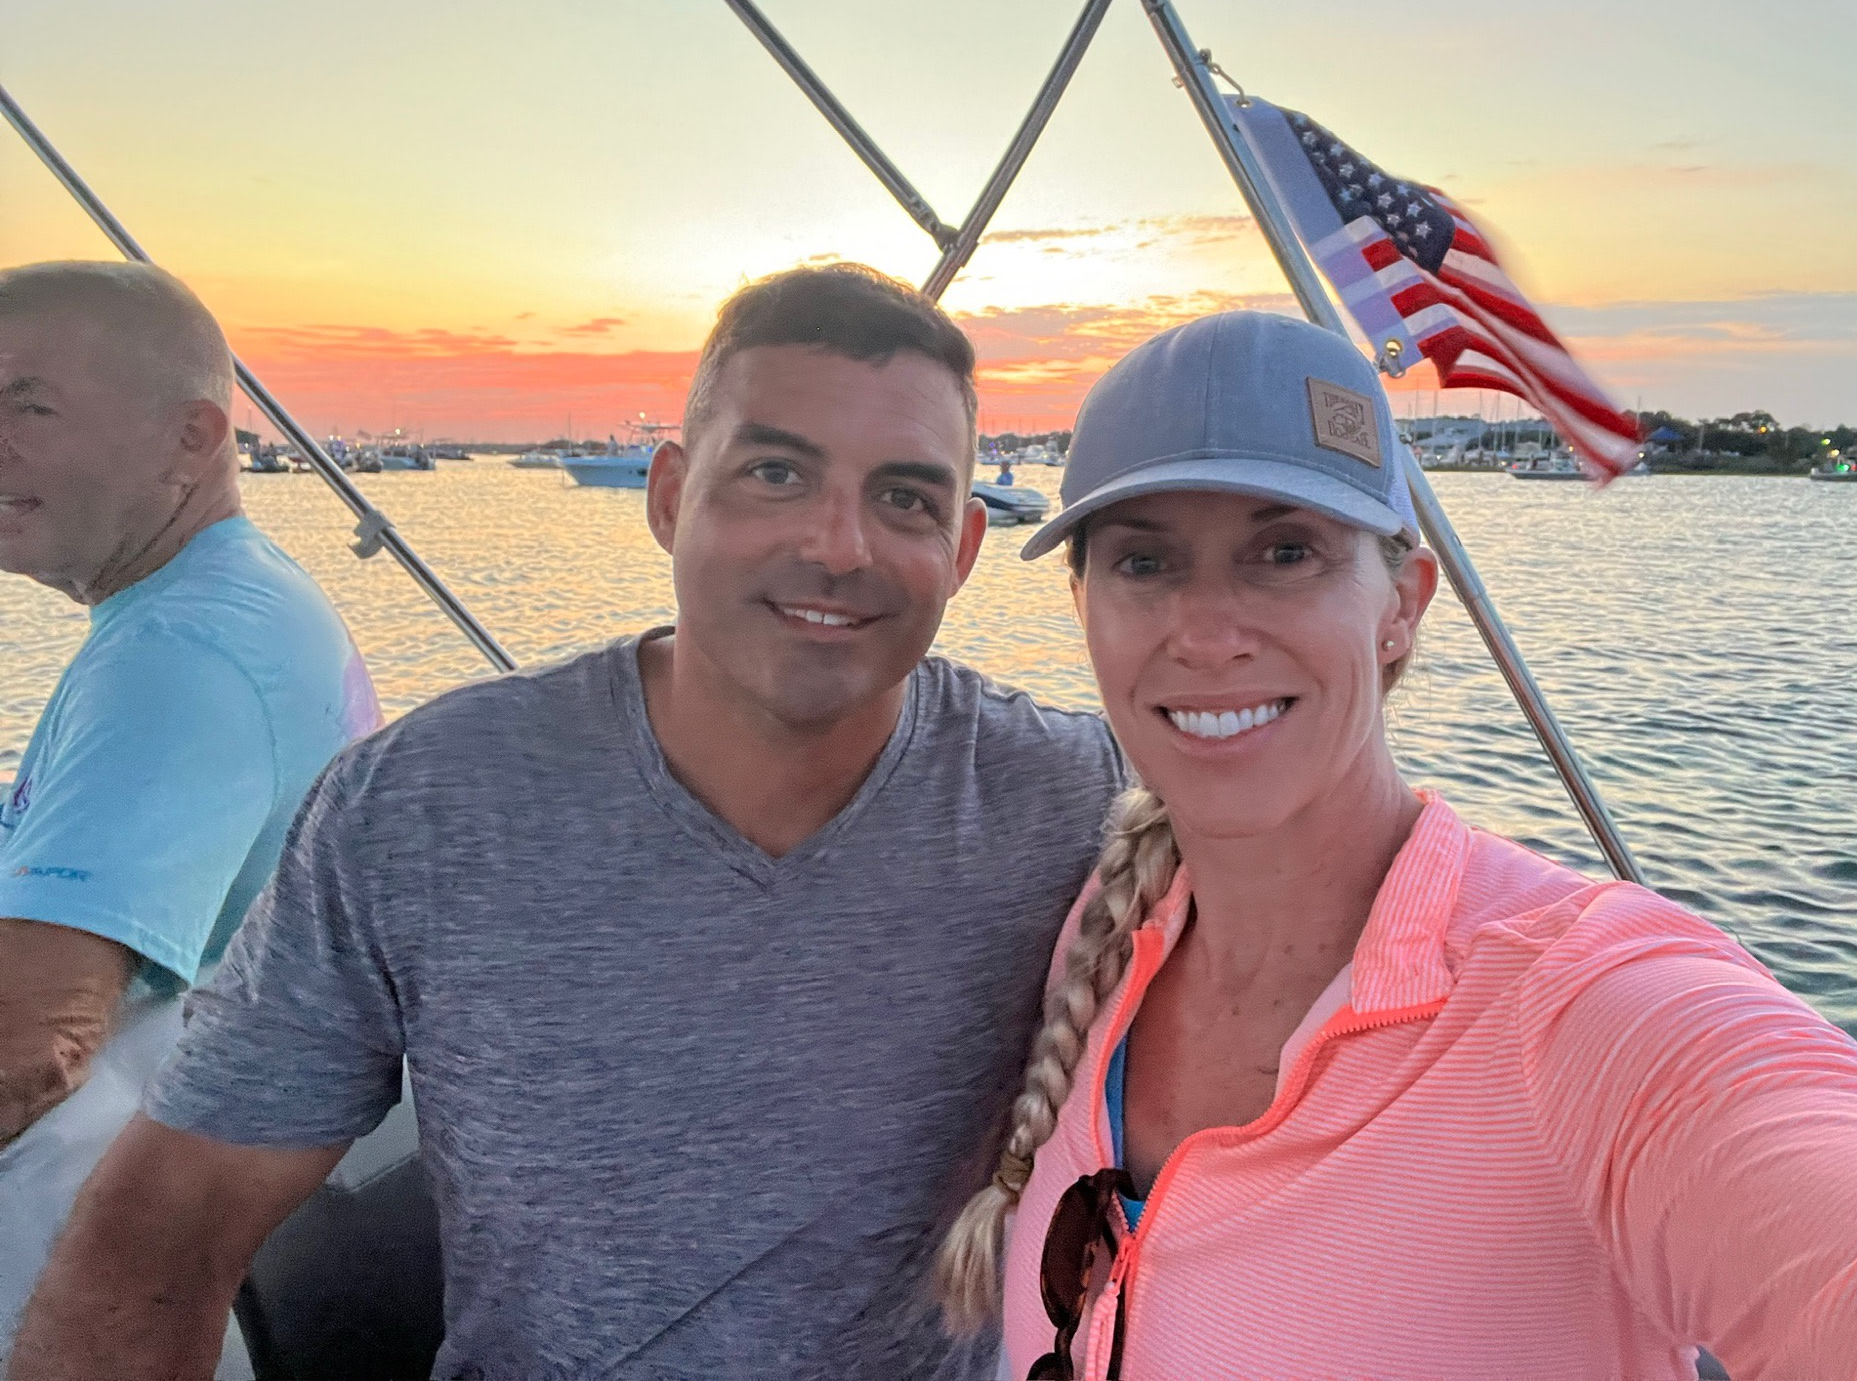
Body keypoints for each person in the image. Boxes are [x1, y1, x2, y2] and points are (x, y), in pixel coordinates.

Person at [11, 264, 1127, 1381]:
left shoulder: (1074, 798)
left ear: (963, 549)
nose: (839, 546)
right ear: (669, 497)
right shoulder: (423, 805)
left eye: (904, 499)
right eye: (775, 473)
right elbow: (162, 1233)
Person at [936, 310, 1857, 1380]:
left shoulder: (1583, 1008)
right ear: (1082, 605)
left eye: (1286, 553)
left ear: (1400, 605)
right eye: (1144, 562)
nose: (1207, 633)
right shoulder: (1108, 934)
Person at [0, 262, 380, 1358]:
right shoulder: (230, 593)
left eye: (29, 406)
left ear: (190, 439)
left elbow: (34, 1047)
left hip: (87, 1260)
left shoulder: (180, 654)